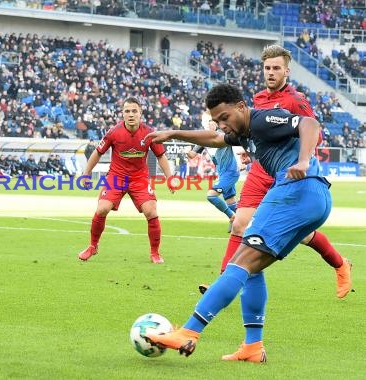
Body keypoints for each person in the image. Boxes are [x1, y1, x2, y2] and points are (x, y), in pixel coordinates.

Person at [144, 83, 333, 363]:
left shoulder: (261, 120)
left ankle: (189, 332)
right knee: (252, 268)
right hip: (308, 197)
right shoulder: (242, 133)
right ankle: (253, 347)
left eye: (225, 117)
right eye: (218, 119)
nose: (223, 124)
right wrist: (173, 133)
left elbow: (309, 122)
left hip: (297, 190)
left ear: (242, 108)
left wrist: (304, 160)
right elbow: (215, 139)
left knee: (239, 261)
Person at [209, 45, 351, 297]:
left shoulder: (296, 101)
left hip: (289, 174)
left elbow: (312, 131)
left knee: (303, 234)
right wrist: (249, 149)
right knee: (239, 223)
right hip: (260, 171)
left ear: (287, 71)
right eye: (267, 68)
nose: (271, 72)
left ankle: (340, 264)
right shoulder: (257, 99)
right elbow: (251, 132)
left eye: (276, 68)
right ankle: (223, 280)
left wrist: (302, 161)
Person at [77, 97, 173, 264]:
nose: (130, 114)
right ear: (122, 114)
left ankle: (155, 253)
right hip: (116, 177)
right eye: (127, 111)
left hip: (139, 179)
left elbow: (161, 156)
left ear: (140, 113)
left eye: (134, 111)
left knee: (151, 211)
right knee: (102, 209)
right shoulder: (114, 132)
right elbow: (98, 152)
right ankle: (93, 246)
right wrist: (86, 173)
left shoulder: (149, 133)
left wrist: (170, 177)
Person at [186, 120, 239, 227]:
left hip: (230, 172)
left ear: (217, 125)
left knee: (211, 196)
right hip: (222, 174)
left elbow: (237, 135)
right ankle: (250, 219)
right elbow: (192, 155)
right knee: (231, 202)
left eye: (213, 123)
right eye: (209, 124)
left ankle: (232, 217)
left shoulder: (224, 135)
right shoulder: (204, 139)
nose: (211, 126)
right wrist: (187, 150)